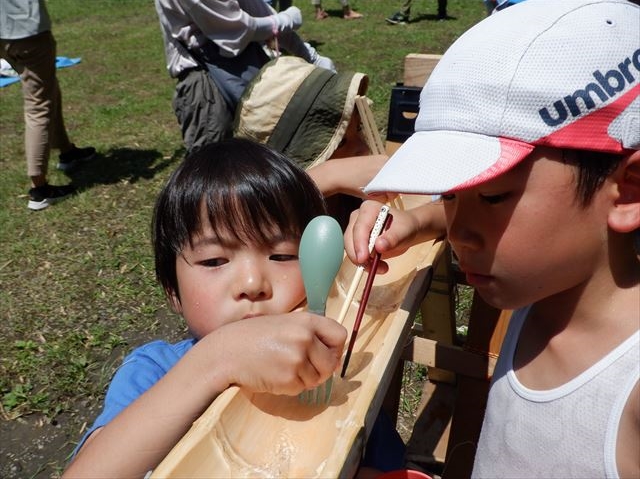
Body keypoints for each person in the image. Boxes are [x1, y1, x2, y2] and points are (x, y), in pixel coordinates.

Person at [346, 0, 639, 477]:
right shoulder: (543, 287)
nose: (460, 231)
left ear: (628, 191)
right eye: (453, 195)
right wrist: (418, 222)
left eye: (495, 196)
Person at [64, 138, 405, 477]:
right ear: (173, 291)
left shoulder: (330, 374)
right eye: (214, 260)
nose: (253, 283)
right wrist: (216, 360)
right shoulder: (153, 372)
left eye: (282, 256)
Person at [154, 0, 335, 153]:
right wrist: (286, 19)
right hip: (205, 84)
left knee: (271, 147)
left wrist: (311, 56)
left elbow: (260, 12)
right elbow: (238, 29)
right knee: (216, 169)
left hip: (247, 64)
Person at [234, 55, 391, 226]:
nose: (363, 148)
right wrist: (331, 174)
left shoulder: (349, 198)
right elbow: (252, 207)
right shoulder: (275, 216)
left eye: (359, 128)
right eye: (340, 142)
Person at [0, 0, 95, 211]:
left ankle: (67, 151)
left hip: (5, 32)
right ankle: (39, 189)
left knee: (47, 90)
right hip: (25, 31)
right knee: (38, 104)